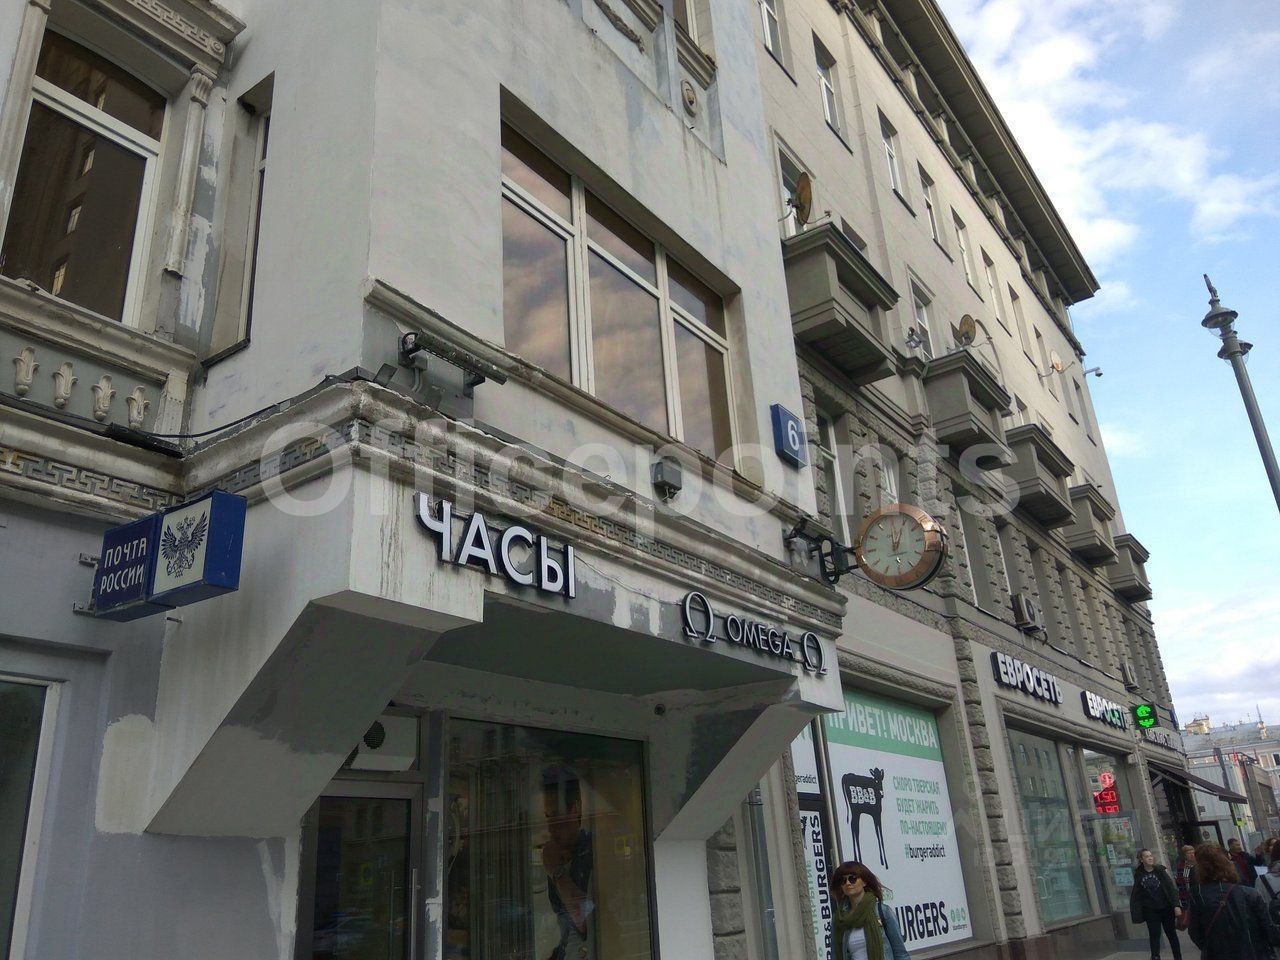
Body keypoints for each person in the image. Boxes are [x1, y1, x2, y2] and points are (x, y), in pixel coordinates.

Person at [541, 765, 594, 960]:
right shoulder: (557, 855)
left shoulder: (594, 850)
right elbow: (566, 928)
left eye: (555, 815)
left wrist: (557, 872)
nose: (550, 826)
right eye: (547, 816)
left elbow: (589, 924)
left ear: (575, 809)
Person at [1189, 843, 1276, 960]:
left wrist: (1210, 947)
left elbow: (1195, 932)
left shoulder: (1197, 895)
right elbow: (1268, 929)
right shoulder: (1249, 893)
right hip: (1253, 953)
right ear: (1228, 864)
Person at [829, 861, 910, 960]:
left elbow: (901, 953)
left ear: (864, 882)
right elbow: (835, 956)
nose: (848, 883)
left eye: (852, 878)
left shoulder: (883, 912)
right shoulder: (839, 919)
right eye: (843, 880)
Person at [1130, 848, 1183, 960]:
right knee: (1154, 935)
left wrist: (1176, 905)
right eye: (1146, 856)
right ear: (1141, 859)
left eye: (1150, 855)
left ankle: (1178, 957)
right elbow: (1137, 893)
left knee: (1171, 934)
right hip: (1150, 910)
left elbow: (1171, 889)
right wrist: (1138, 909)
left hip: (1166, 908)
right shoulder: (1139, 874)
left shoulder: (1160, 871)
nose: (1150, 858)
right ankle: (1155, 956)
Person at [1174, 845, 1199, 925]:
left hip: (1199, 893)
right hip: (1187, 895)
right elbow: (1180, 882)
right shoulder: (1181, 866)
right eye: (1189, 853)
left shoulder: (1199, 865)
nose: (1192, 855)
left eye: (1193, 852)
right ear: (1185, 855)